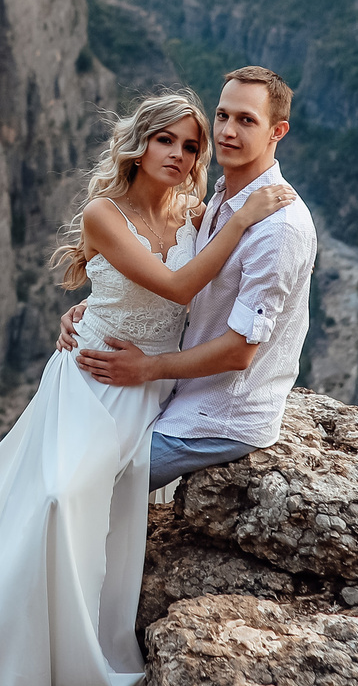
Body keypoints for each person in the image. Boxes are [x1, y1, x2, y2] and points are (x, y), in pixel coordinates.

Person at [0, 89, 298, 686]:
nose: (178, 155)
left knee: (91, 500)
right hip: (92, 378)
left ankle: (78, 644)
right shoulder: (104, 213)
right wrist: (240, 218)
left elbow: (185, 299)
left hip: (150, 386)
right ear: (139, 145)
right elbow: (177, 285)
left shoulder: (194, 214)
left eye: (190, 146)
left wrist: (103, 306)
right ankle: (15, 650)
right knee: (56, 495)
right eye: (165, 140)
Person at [65, 66, 318, 490]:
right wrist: (97, 306)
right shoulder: (219, 201)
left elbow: (239, 352)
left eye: (246, 120)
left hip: (219, 416)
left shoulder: (278, 228)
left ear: (277, 131)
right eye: (222, 115)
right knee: (67, 463)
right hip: (182, 394)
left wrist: (147, 369)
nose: (228, 131)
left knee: (90, 484)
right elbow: (168, 279)